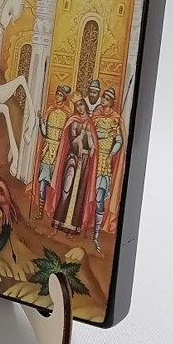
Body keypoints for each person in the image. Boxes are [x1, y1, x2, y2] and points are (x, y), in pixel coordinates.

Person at [45, 96, 98, 236]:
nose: (80, 108)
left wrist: (92, 148)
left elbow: (93, 143)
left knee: (79, 194)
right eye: (77, 105)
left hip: (85, 161)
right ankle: (56, 226)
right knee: (66, 190)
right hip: (73, 158)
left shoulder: (90, 123)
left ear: (85, 105)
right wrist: (79, 139)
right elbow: (72, 140)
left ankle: (71, 230)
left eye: (81, 104)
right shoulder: (73, 122)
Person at [91, 88, 124, 252]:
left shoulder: (116, 120)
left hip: (106, 163)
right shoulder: (96, 117)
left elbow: (119, 141)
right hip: (95, 160)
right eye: (103, 97)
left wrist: (112, 153)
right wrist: (106, 134)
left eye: (106, 98)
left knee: (100, 198)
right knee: (90, 196)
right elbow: (92, 136)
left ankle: (96, 236)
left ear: (112, 102)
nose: (103, 100)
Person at [33, 86, 72, 219]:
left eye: (60, 95)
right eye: (57, 94)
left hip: (59, 152)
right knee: (43, 182)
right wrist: (41, 120)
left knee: (58, 182)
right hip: (47, 148)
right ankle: (40, 212)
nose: (57, 97)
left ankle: (55, 212)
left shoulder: (67, 114)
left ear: (64, 98)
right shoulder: (49, 111)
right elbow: (44, 133)